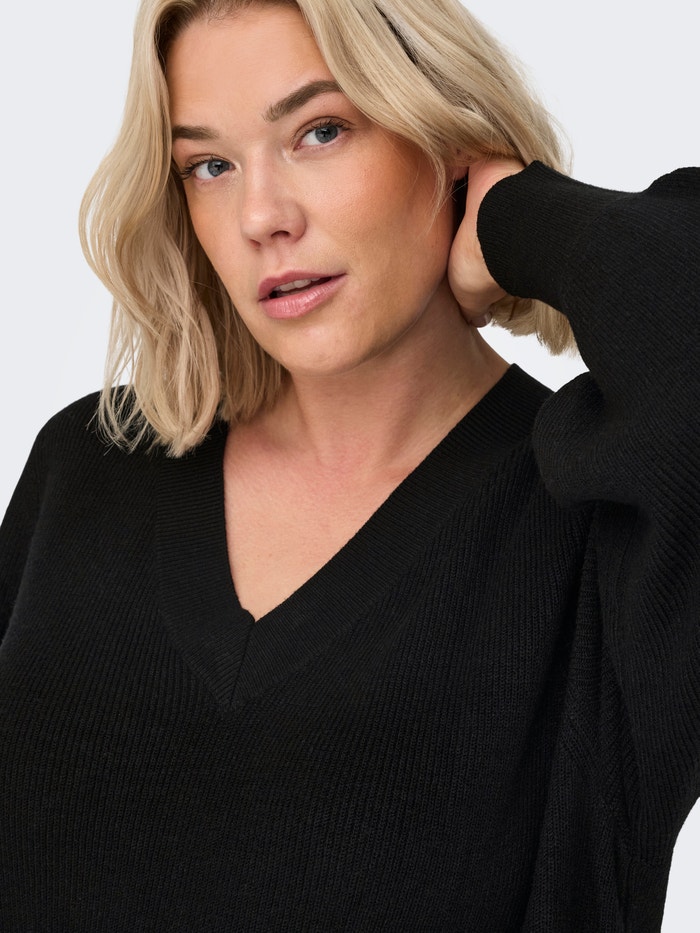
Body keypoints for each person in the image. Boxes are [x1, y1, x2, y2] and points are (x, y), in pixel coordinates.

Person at [0, 0, 698, 929]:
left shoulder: (598, 530)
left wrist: (519, 212)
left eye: (321, 132)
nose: (261, 217)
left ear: (443, 138)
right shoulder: (90, 469)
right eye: (210, 165)